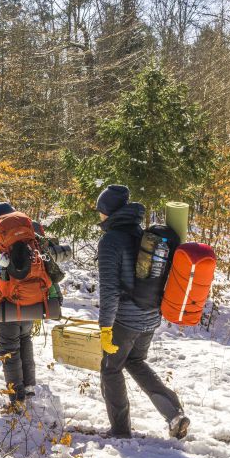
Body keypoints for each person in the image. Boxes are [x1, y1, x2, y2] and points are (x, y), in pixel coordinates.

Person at [96, 184, 189, 440]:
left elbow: (109, 290)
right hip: (150, 316)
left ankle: (120, 431)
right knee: (135, 361)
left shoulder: (110, 241)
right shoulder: (141, 233)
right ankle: (174, 414)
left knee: (111, 369)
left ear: (108, 212)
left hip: (125, 320)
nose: (99, 215)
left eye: (100, 210)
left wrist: (105, 327)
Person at [0, 202, 63, 406]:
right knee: (25, 340)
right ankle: (29, 386)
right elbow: (47, 264)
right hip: (33, 298)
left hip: (7, 301)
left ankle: (16, 396)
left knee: (9, 348)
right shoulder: (31, 233)